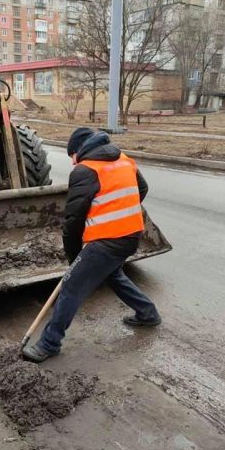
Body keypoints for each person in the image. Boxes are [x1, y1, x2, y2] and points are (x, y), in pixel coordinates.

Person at [22, 127, 161, 363]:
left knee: (70, 288)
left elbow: (73, 220)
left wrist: (73, 256)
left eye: (71, 156)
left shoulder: (85, 170)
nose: (73, 161)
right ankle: (147, 313)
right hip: (132, 236)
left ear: (78, 151)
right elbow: (142, 189)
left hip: (107, 241)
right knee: (113, 274)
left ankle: (49, 343)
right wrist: (120, 213)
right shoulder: (124, 160)